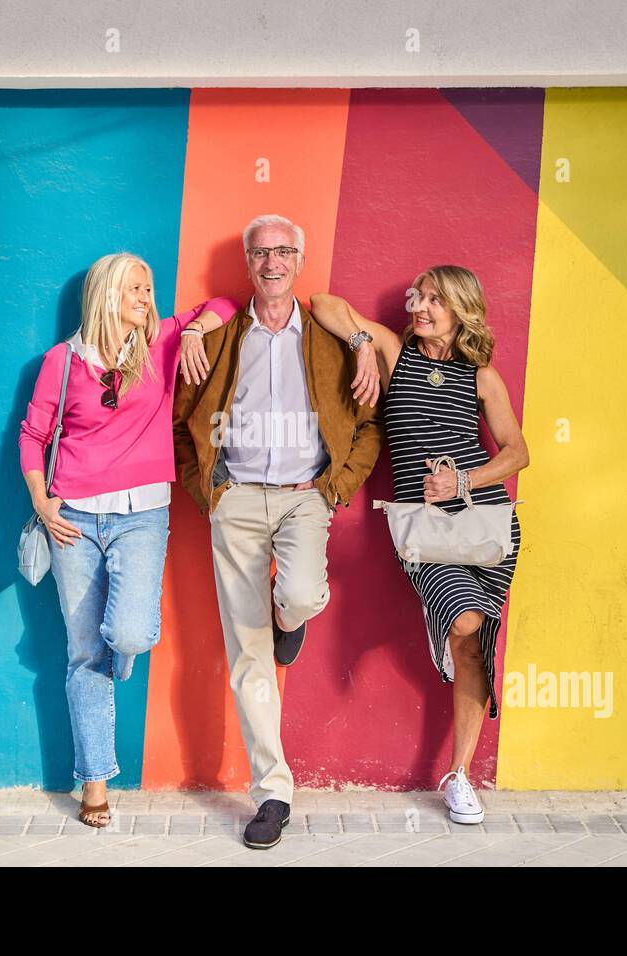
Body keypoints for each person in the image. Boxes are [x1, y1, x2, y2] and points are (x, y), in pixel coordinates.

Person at [173, 214, 383, 849]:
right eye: (261, 252)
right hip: (234, 501)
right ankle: (273, 790)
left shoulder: (329, 333)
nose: (272, 262)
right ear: (247, 261)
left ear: (300, 259)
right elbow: (182, 421)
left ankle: (290, 621)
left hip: (303, 499)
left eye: (285, 251)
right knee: (248, 656)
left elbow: (370, 425)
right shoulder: (216, 336)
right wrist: (206, 490)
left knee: (298, 596)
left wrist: (335, 487)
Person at [19, 251, 236, 828]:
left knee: (130, 634)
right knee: (83, 653)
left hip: (143, 517)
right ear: (106, 294)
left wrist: (193, 331)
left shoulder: (163, 341)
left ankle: (119, 656)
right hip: (73, 522)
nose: (146, 297)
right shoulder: (62, 362)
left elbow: (225, 305)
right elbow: (33, 434)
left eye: (149, 288)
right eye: (135, 288)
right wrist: (42, 502)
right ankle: (94, 784)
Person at [309, 265, 529, 825]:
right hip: (424, 536)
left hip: (486, 527)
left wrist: (463, 482)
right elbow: (321, 303)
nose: (421, 307)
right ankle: (449, 631)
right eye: (420, 297)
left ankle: (459, 777)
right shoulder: (394, 352)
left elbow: (516, 451)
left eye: (436, 301)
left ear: (461, 312)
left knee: (476, 640)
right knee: (465, 622)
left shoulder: (482, 378)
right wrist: (361, 343)